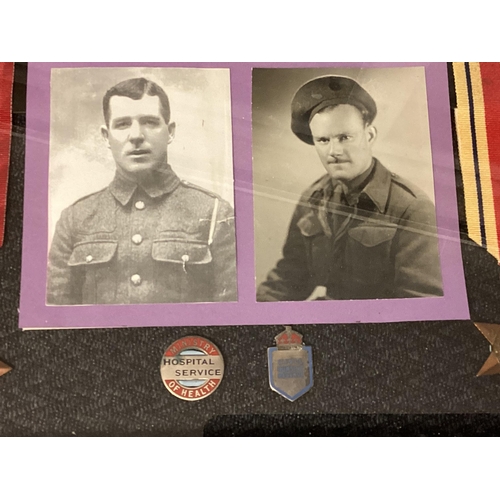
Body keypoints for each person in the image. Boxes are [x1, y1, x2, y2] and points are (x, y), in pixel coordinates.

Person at [47, 77, 237, 305]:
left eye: (149, 122)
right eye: (122, 124)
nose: (136, 135)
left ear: (170, 132)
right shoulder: (75, 219)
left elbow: (229, 312)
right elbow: (57, 314)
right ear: (106, 137)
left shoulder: (215, 213)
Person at [257, 75, 443, 301]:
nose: (333, 151)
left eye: (344, 137)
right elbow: (288, 277)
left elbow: (421, 303)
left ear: (369, 135)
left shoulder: (411, 208)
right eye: (323, 140)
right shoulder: (312, 199)